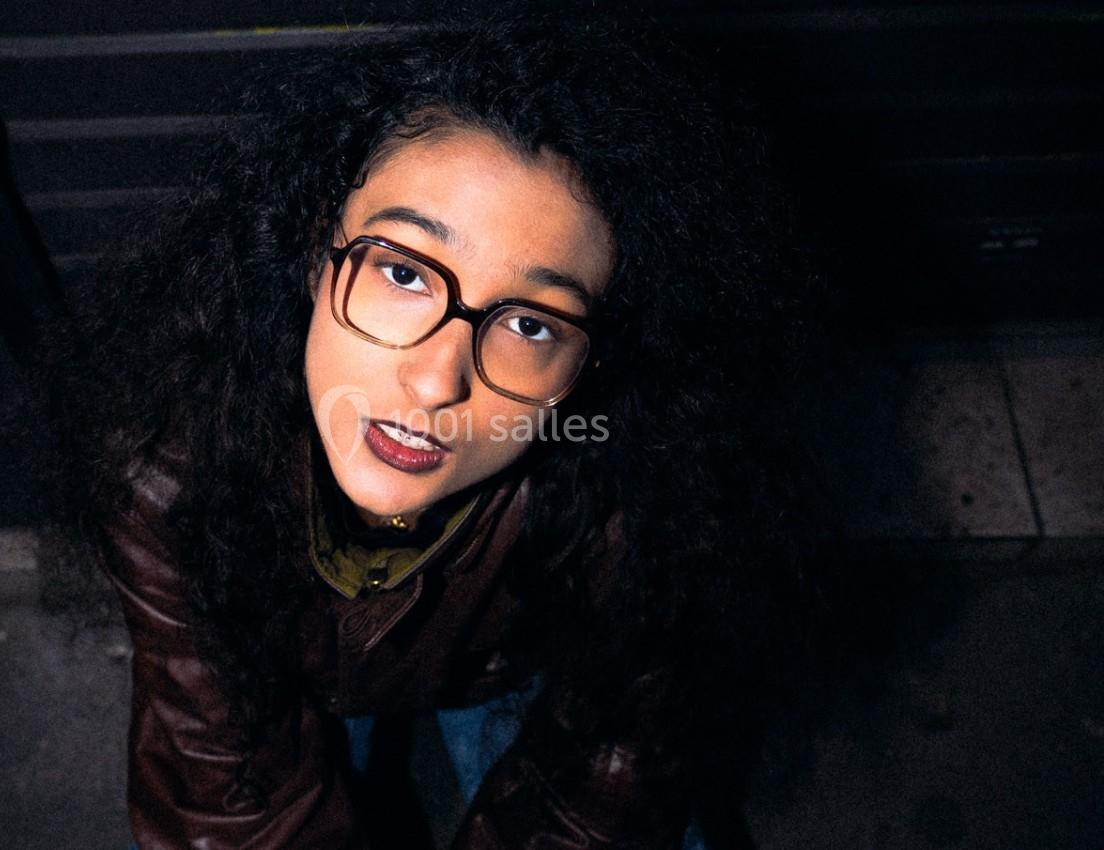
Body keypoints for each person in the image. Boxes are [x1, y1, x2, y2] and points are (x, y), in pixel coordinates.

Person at [47, 14, 823, 850]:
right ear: (315, 252)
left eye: (530, 324)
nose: (436, 380)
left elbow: (607, 775)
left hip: (508, 665)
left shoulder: (638, 500)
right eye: (405, 271)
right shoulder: (170, 457)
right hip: (287, 670)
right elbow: (226, 783)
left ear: (586, 369)